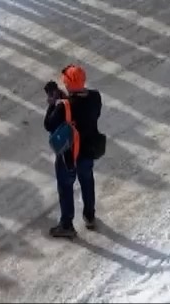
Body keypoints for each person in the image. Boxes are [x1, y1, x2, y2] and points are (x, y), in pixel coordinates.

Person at [44, 64, 104, 239]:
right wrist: (64, 100)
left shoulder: (64, 107)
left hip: (69, 156)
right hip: (88, 151)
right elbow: (84, 110)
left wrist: (52, 104)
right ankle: (90, 216)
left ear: (68, 83)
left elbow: (49, 124)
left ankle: (67, 224)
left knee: (65, 186)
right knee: (87, 181)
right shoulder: (95, 97)